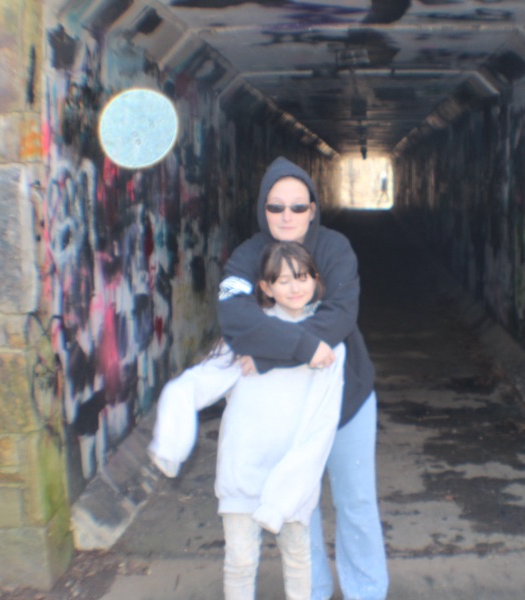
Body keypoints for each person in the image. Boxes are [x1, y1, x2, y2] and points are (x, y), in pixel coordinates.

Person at [217, 156, 389, 600]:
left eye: (298, 206)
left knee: (355, 501)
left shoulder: (335, 249)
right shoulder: (247, 256)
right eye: (276, 207)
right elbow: (234, 318)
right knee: (297, 506)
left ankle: (367, 592)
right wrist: (296, 348)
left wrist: (268, 355)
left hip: (347, 400)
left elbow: (339, 316)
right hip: (285, 411)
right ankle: (311, 591)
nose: (287, 216)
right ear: (263, 209)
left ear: (313, 209)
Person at [149, 241, 346, 600]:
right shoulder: (249, 335)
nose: (295, 287)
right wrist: (171, 436)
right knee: (240, 562)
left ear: (316, 280)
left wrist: (292, 483)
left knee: (298, 558)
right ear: (266, 288)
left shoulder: (329, 344)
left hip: (292, 475)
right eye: (283, 280)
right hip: (243, 468)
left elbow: (324, 420)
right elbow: (201, 381)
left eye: (303, 277)